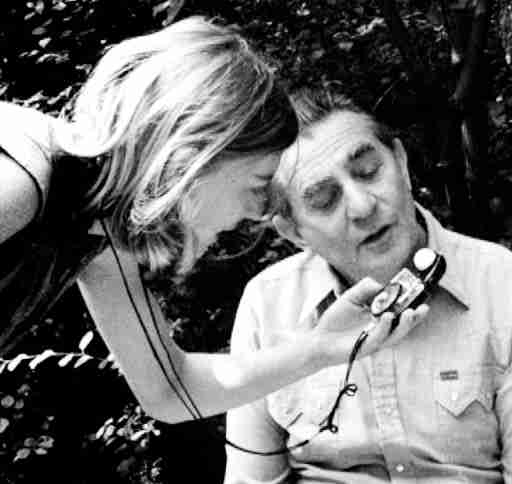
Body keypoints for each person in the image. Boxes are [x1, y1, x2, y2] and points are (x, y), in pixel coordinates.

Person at [0, 17, 425, 424]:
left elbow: (170, 390)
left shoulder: (98, 225)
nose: (260, 211)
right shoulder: (20, 180)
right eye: (260, 182)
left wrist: (320, 348)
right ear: (199, 154)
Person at [223, 90, 512, 483]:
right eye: (324, 200)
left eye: (369, 171)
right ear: (294, 232)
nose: (363, 206)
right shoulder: (266, 305)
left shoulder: (508, 288)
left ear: (402, 163)